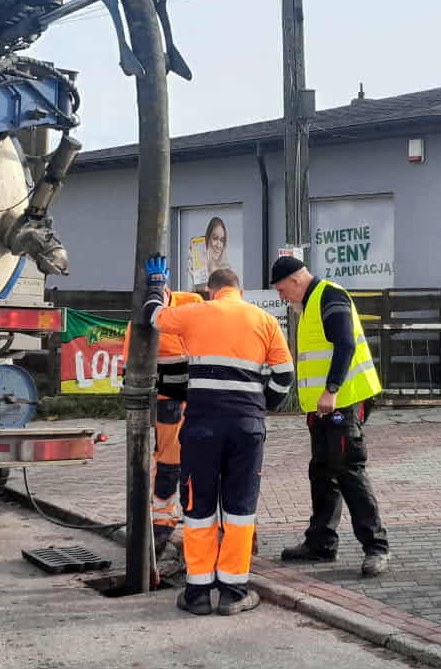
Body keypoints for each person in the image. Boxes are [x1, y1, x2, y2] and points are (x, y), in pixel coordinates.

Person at [143, 258, 294, 616]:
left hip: (201, 427)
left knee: (199, 509)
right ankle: (233, 592)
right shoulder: (264, 320)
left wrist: (155, 282)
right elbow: (285, 376)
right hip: (246, 427)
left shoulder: (197, 313)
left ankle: (197, 593)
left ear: (212, 291)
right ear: (239, 292)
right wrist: (260, 405)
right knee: (240, 510)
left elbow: (154, 316)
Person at [269, 256, 391, 577]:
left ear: (296, 280)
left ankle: (376, 547)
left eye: (283, 290)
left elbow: (345, 345)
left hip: (343, 402)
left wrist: (331, 390)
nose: (282, 298)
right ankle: (321, 543)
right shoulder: (310, 303)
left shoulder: (329, 296)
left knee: (349, 470)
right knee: (322, 472)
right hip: (324, 407)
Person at [121, 288, 204, 555]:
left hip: (193, 398)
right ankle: (163, 525)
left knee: (193, 464)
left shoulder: (190, 304)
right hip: (171, 402)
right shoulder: (138, 323)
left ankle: (176, 523)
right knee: (170, 463)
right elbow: (130, 369)